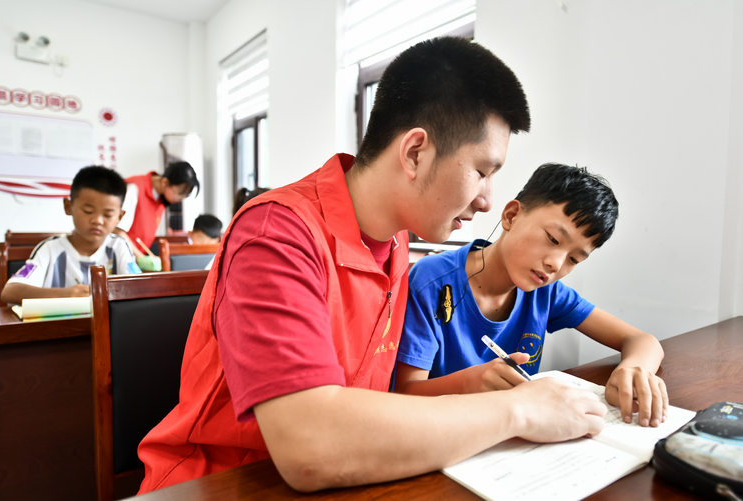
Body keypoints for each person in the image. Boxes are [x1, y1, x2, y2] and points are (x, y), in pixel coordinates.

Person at [137, 37, 608, 494]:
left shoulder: (397, 241)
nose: (487, 200)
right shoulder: (277, 234)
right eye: (482, 171)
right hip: (225, 481)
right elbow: (310, 447)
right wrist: (520, 412)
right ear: (415, 152)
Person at [394, 163, 667, 428]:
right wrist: (470, 382)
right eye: (553, 239)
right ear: (511, 216)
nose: (556, 265)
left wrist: (634, 369)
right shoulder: (432, 282)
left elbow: (642, 341)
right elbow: (404, 395)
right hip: (442, 434)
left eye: (574, 259)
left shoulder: (545, 292)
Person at [1, 165, 140, 305]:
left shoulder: (119, 247)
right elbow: (10, 291)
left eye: (108, 214)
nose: (97, 221)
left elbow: (140, 287)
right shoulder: (50, 249)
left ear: (120, 217)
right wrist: (65, 294)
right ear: (68, 206)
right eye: (88, 211)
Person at [114, 161, 200, 259]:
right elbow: (117, 230)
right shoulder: (134, 188)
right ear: (165, 182)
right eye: (180, 194)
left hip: (135, 259)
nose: (180, 199)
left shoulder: (161, 199)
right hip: (121, 258)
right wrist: (141, 258)